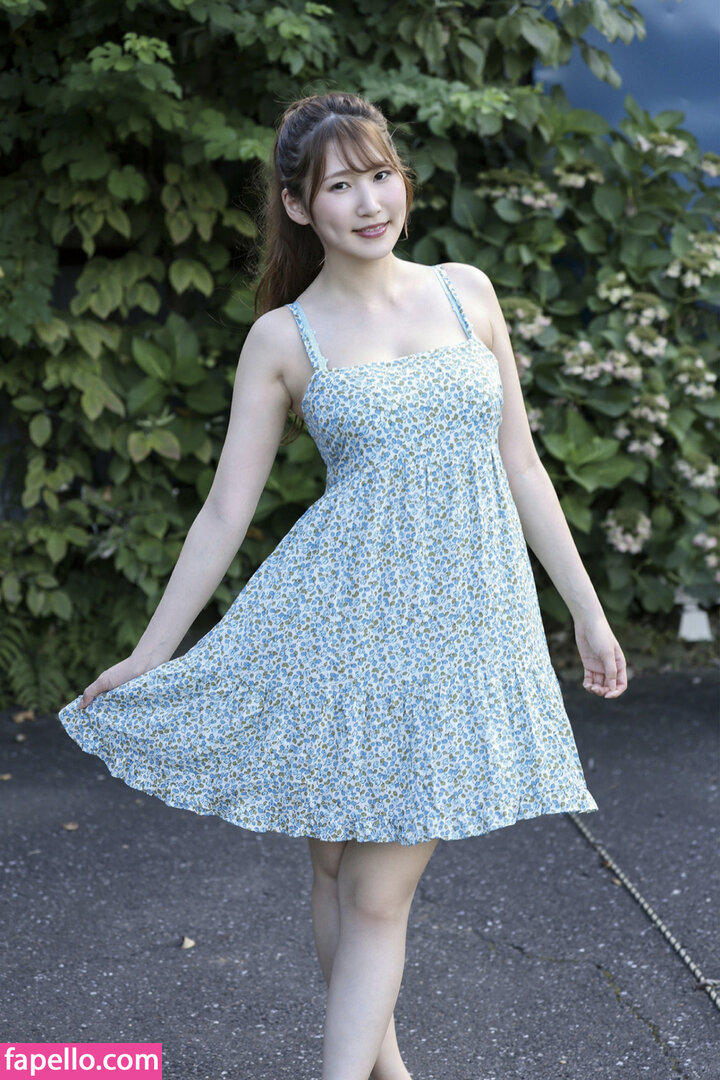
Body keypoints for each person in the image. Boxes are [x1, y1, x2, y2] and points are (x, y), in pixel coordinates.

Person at [58, 91, 628, 1080]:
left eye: (380, 176)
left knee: (374, 893)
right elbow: (223, 514)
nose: (369, 203)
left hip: (460, 628)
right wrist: (152, 653)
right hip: (334, 627)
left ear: (402, 180)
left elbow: (523, 465)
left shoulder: (466, 292)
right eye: (340, 187)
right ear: (297, 205)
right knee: (335, 870)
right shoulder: (285, 338)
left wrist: (586, 608)